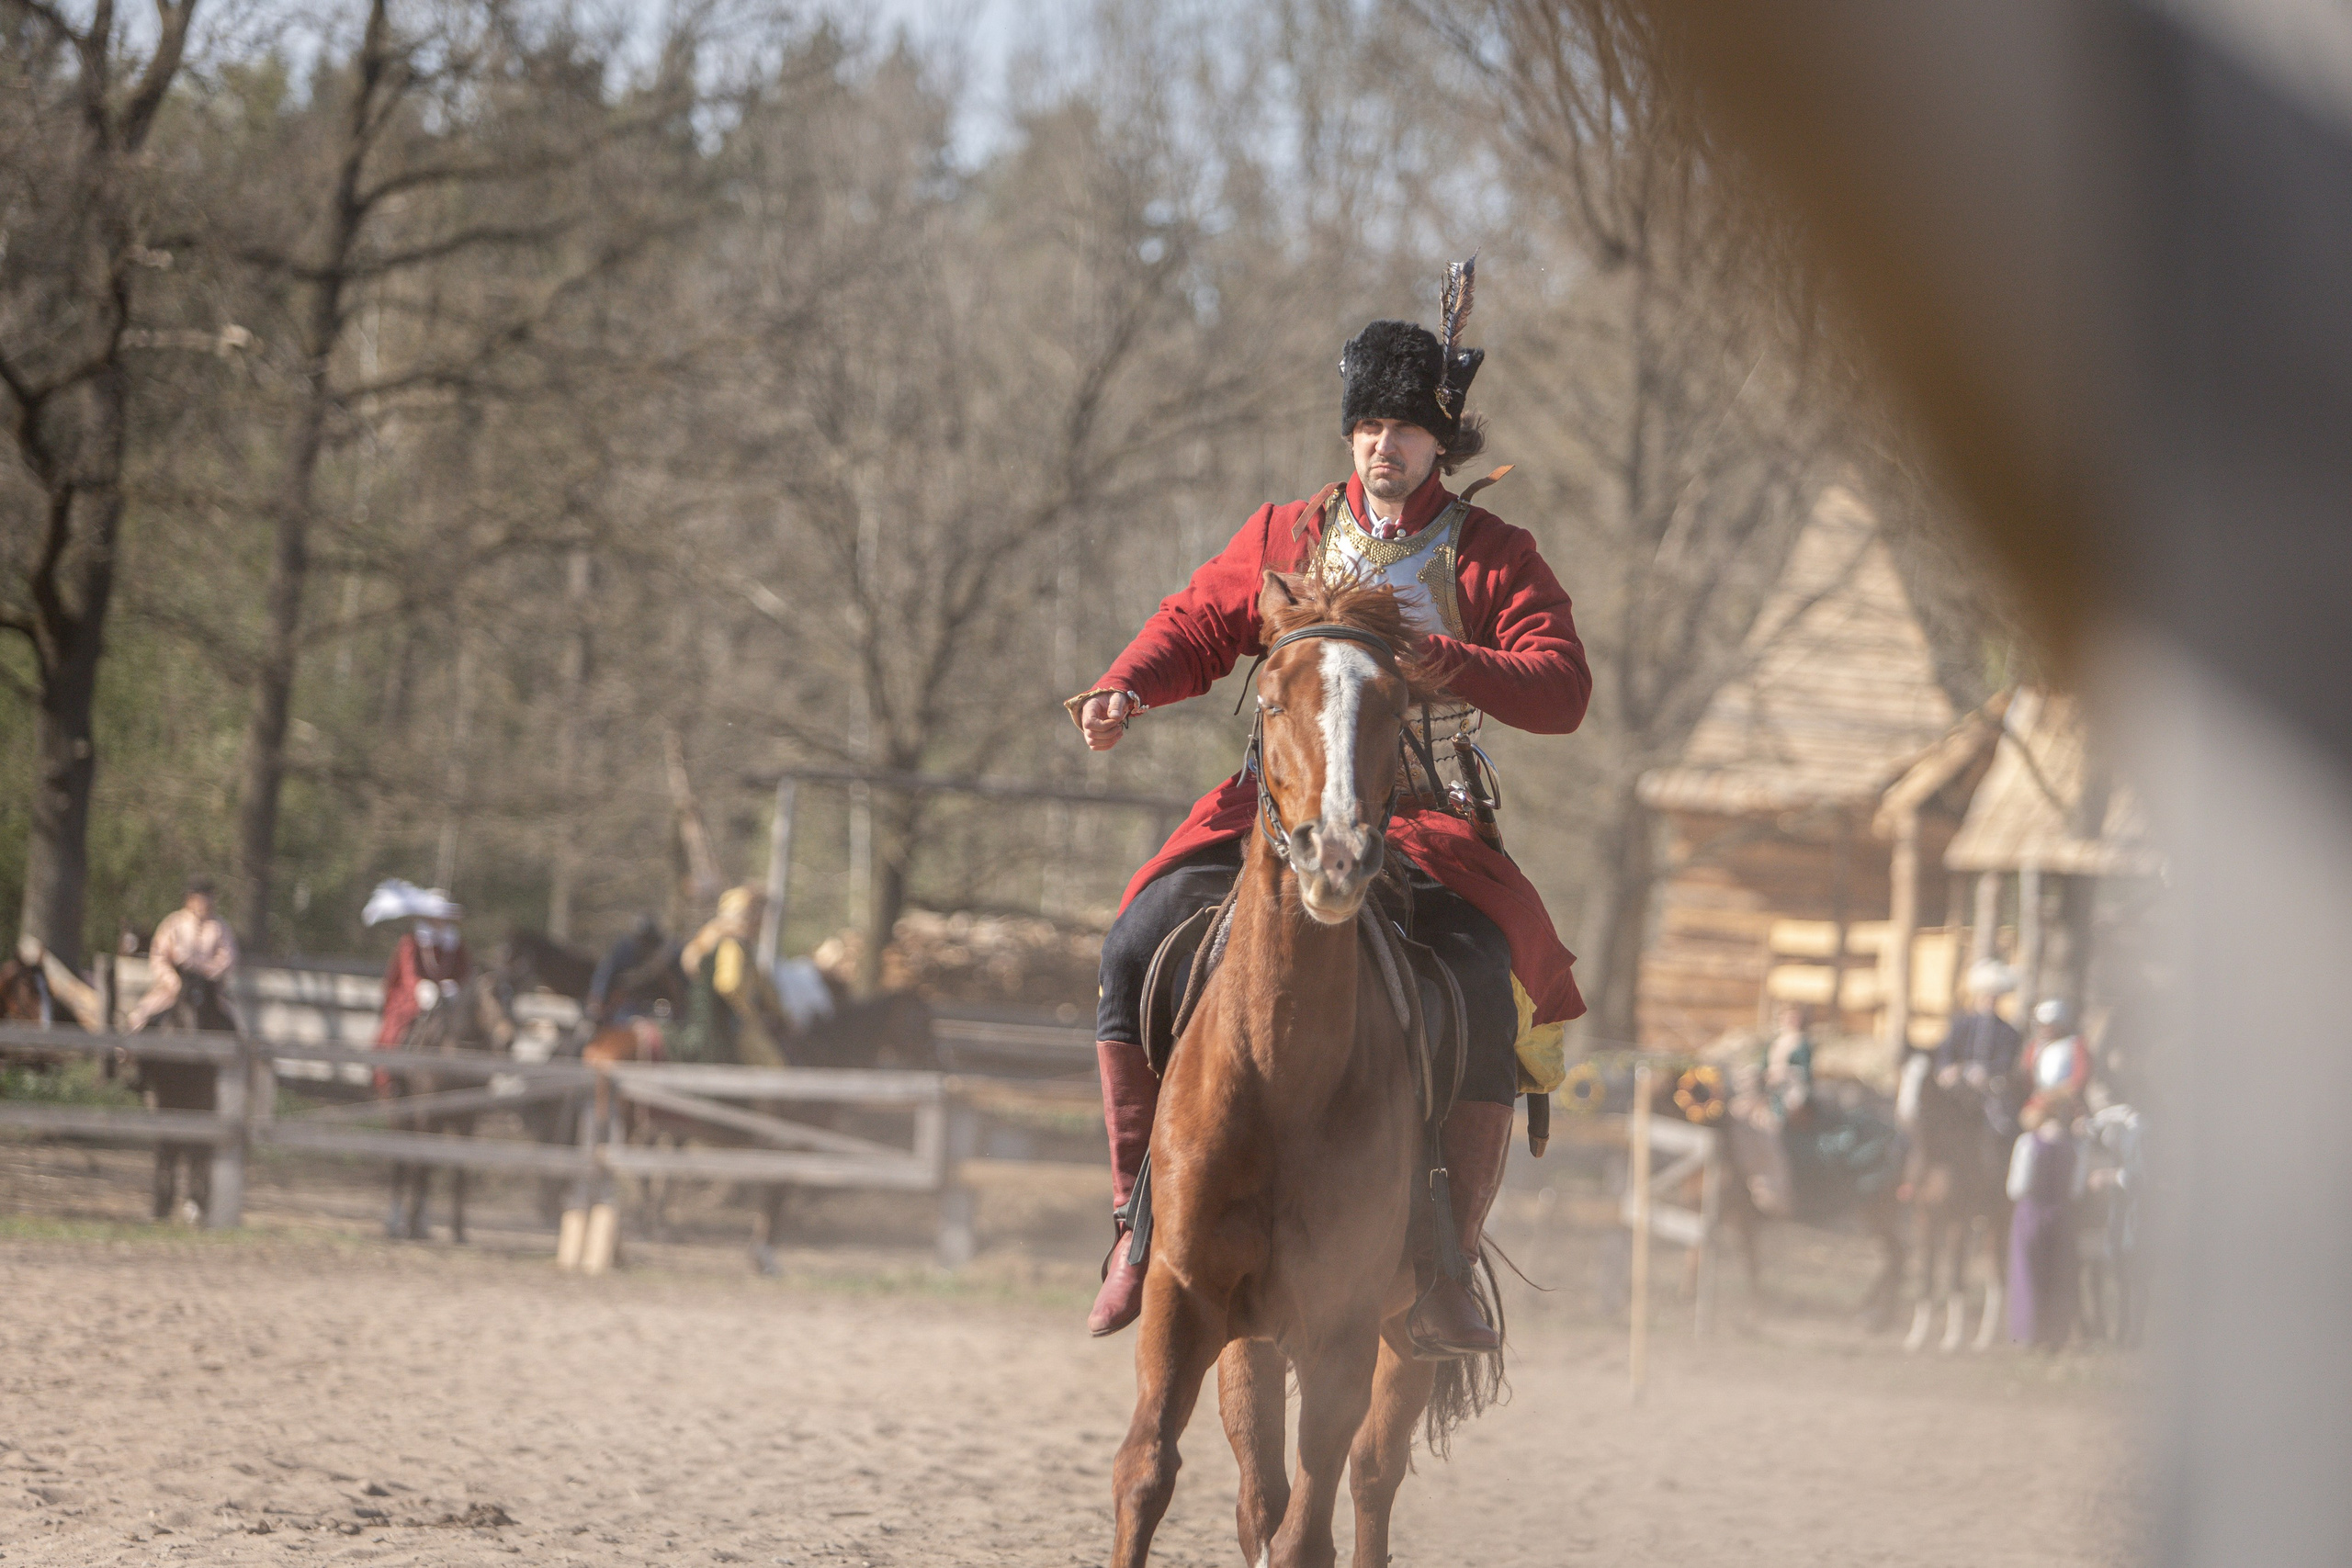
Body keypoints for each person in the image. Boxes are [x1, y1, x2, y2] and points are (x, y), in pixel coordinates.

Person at [1068, 287, 1592, 1351]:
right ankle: (1135, 1227)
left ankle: (1445, 1262)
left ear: (1436, 439)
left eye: (1398, 427)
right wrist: (1127, 685)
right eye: (1363, 426)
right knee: (1131, 947)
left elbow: (1561, 687)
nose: (1376, 446)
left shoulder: (1488, 553)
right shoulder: (1291, 532)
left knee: (1485, 991)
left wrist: (1449, 657)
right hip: (1277, 812)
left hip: (1424, 824)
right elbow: (1197, 623)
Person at [2007, 1090, 2086, 1348]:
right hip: (2063, 1215)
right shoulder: (2073, 1146)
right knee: (2059, 1274)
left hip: (2032, 1213)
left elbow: (2017, 1187)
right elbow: (2076, 1189)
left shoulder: (2028, 1143)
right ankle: (2056, 1335)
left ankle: (2029, 1334)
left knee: (2028, 1273)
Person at [674, 886, 787, 1066]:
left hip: (714, 1020)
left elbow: (763, 987)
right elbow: (728, 985)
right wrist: (748, 1012)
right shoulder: (731, 944)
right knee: (772, 1064)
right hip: (727, 1025)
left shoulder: (718, 940)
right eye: (756, 914)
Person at [362, 880, 469, 1050]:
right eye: (437, 917)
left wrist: (454, 986)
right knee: (401, 1025)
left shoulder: (456, 944)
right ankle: (390, 1067)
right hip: (412, 994)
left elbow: (463, 971)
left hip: (448, 996)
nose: (441, 921)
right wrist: (422, 987)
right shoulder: (412, 943)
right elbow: (408, 973)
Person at [124, 877, 239, 1032]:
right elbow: (159, 957)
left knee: (234, 1021)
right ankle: (126, 1052)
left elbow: (227, 958)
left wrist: (207, 974)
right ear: (190, 899)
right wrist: (173, 981)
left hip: (209, 988)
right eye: (202, 897)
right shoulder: (174, 923)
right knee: (140, 1016)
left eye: (209, 897)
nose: (206, 902)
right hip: (175, 986)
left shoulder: (220, 927)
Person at [1933, 960, 2024, 1136]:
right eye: (1986, 996)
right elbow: (1946, 1050)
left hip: (1990, 1085)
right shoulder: (1961, 1023)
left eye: (1994, 997)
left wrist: (1986, 1071)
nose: (1989, 1000)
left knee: (2001, 1124)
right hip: (1958, 1081)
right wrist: (1947, 1067)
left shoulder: (2008, 1031)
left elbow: (2007, 1060)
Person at [2018, 998, 2093, 1127]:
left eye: (2050, 1025)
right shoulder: (2034, 1048)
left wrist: (2055, 1095)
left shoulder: (2075, 1045)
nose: (2046, 1029)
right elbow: (2028, 1078)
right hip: (2038, 1103)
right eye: (2043, 1025)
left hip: (2068, 1104)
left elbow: (2079, 1079)